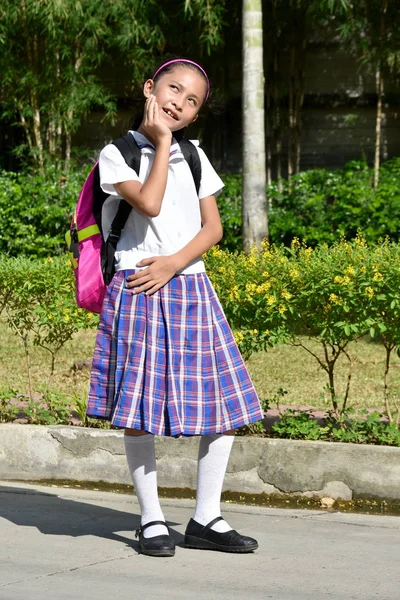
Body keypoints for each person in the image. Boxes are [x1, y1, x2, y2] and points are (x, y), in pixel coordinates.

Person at [87, 58, 264, 557]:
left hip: (191, 286)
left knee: (222, 407)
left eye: (192, 102)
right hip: (139, 287)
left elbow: (214, 229)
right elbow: (149, 203)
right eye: (173, 90)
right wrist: (160, 142)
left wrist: (174, 264)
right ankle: (152, 520)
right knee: (140, 410)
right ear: (149, 87)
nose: (179, 104)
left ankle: (207, 517)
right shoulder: (117, 153)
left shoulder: (196, 155)